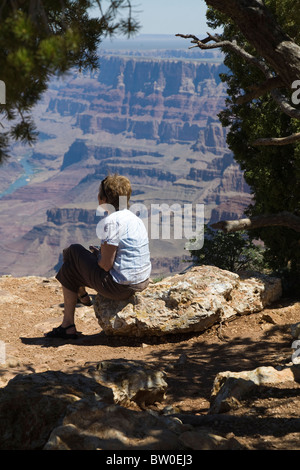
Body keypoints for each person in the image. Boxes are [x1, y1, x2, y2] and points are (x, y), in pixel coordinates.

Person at [45, 174, 151, 340]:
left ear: (103, 199)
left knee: (73, 251)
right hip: (142, 281)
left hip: (121, 287)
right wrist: (99, 255)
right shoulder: (134, 218)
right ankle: (71, 318)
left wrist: (98, 257)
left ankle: (73, 311)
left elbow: (105, 265)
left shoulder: (111, 221)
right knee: (71, 267)